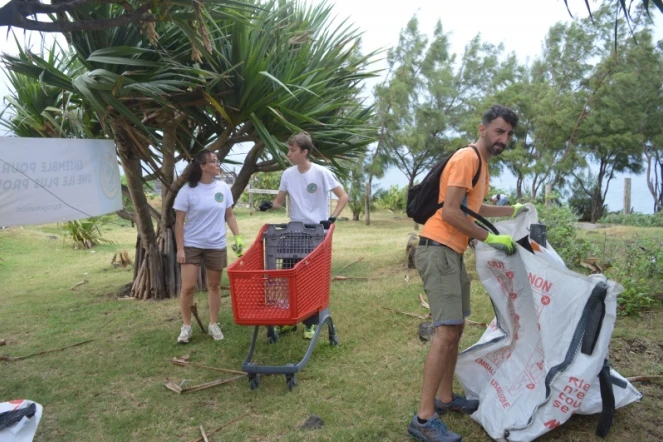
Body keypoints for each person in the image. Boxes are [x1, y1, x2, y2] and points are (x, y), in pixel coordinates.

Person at [408, 105, 527, 442]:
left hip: (452, 252)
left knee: (456, 327)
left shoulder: (482, 165)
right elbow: (449, 213)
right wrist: (490, 237)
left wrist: (512, 210)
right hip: (438, 248)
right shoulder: (467, 158)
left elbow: (472, 208)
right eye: (499, 131)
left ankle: (445, 399)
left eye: (508, 134)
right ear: (483, 128)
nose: (503, 139)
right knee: (445, 332)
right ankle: (423, 418)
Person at [259, 132, 349, 339]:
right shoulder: (288, 174)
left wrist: (331, 218)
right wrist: (269, 205)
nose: (288, 153)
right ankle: (290, 320)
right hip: (294, 232)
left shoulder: (322, 173)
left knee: (310, 278)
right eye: (288, 149)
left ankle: (311, 323)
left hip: (316, 234)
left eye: (292, 150)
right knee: (289, 276)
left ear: (304, 152)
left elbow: (343, 197)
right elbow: (279, 202)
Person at [173, 149, 244, 344]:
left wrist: (238, 237)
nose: (218, 164)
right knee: (188, 287)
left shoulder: (222, 188)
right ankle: (186, 327)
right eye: (213, 162)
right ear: (203, 166)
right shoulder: (187, 191)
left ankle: (213, 324)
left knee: (213, 285)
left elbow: (229, 215)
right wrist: (180, 249)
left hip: (216, 244)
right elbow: (179, 222)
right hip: (192, 245)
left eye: (218, 161)